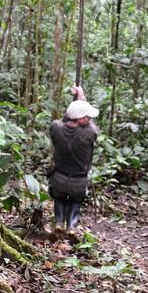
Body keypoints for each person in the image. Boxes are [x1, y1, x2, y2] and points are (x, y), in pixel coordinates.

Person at [48, 85, 99, 234]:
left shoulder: (56, 128)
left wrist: (78, 104)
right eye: (87, 117)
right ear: (81, 119)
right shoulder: (89, 133)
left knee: (59, 198)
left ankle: (58, 223)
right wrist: (81, 97)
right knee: (76, 201)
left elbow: (65, 119)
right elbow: (89, 125)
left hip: (60, 178)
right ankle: (71, 227)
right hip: (79, 180)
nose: (89, 119)